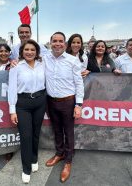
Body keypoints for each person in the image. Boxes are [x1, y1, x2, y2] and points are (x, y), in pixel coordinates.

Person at [44, 32, 84, 183]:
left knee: (68, 131)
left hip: (68, 101)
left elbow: (79, 83)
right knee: (56, 129)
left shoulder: (73, 60)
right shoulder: (45, 58)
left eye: (61, 41)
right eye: (55, 41)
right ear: (50, 43)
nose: (58, 44)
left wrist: (78, 105)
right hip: (50, 101)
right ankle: (59, 153)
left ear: (65, 44)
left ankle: (68, 161)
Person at [8, 39, 46, 183]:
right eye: (26, 50)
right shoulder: (16, 67)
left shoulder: (42, 65)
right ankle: (26, 168)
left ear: (37, 52)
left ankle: (34, 158)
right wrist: (12, 110)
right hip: (22, 104)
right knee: (26, 136)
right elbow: (11, 89)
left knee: (36, 133)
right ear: (21, 52)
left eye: (32, 50)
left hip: (40, 101)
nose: (29, 52)